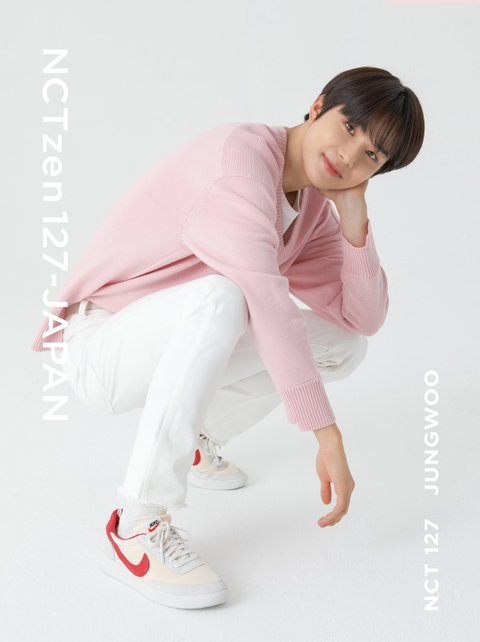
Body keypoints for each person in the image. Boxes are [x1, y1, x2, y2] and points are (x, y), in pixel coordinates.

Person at [31, 66, 424, 609]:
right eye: (350, 126)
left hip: (171, 336)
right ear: (318, 105)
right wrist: (326, 433)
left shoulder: (311, 208)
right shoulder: (241, 164)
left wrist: (354, 219)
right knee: (226, 295)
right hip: (102, 343)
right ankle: (135, 524)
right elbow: (266, 301)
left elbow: (363, 317)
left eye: (371, 155)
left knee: (342, 343)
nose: (348, 155)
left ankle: (197, 437)